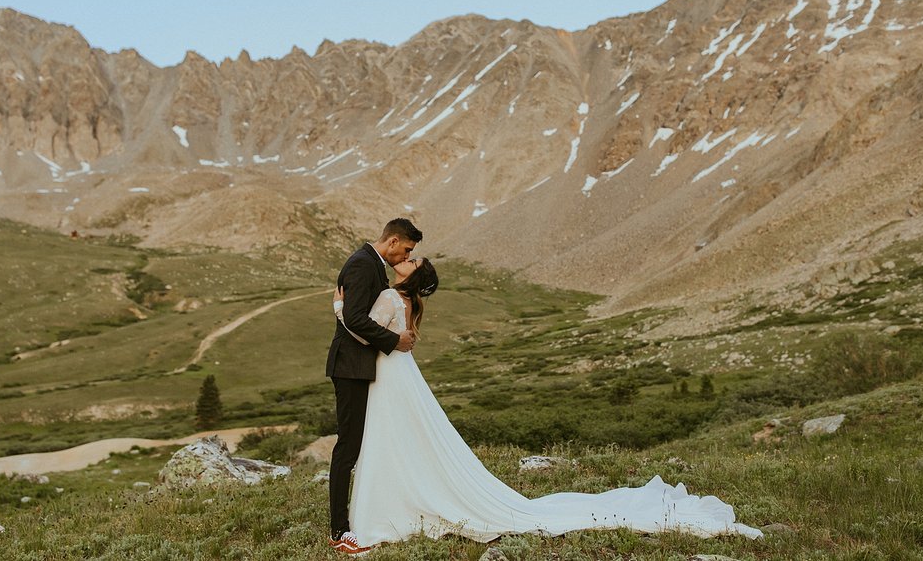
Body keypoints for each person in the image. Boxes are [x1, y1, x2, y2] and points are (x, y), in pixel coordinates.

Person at [332, 258, 762, 553]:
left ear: (410, 278)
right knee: (398, 439)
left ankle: (382, 511)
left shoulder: (391, 298)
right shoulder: (406, 302)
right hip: (400, 376)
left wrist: (337, 304)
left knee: (386, 440)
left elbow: (361, 328)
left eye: (410, 261)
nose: (404, 261)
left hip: (388, 378)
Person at [325, 218, 421, 554]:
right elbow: (354, 318)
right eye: (406, 249)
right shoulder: (362, 264)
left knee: (360, 444)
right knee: (347, 447)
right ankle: (339, 531)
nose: (405, 256)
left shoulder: (372, 265)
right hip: (350, 368)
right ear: (393, 241)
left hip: (362, 366)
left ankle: (366, 512)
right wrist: (394, 341)